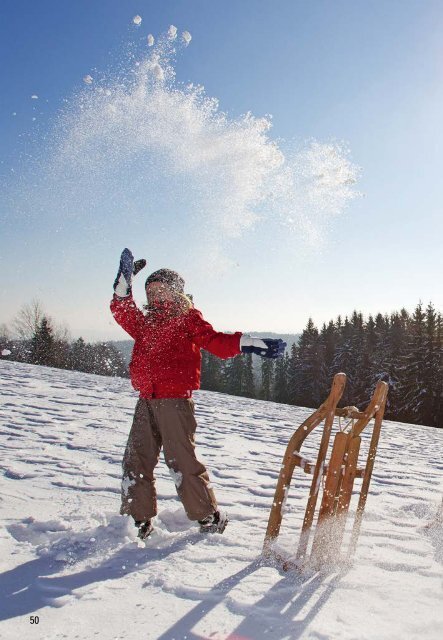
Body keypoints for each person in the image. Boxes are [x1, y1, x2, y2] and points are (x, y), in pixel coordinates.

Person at [111, 248, 286, 540]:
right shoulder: (145, 323)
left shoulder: (187, 319)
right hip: (146, 401)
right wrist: (122, 287)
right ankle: (137, 520)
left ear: (177, 292)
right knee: (136, 459)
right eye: (150, 291)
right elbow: (122, 311)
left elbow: (214, 340)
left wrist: (248, 342)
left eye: (161, 290)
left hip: (175, 402)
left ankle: (208, 516)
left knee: (181, 459)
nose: (155, 296)